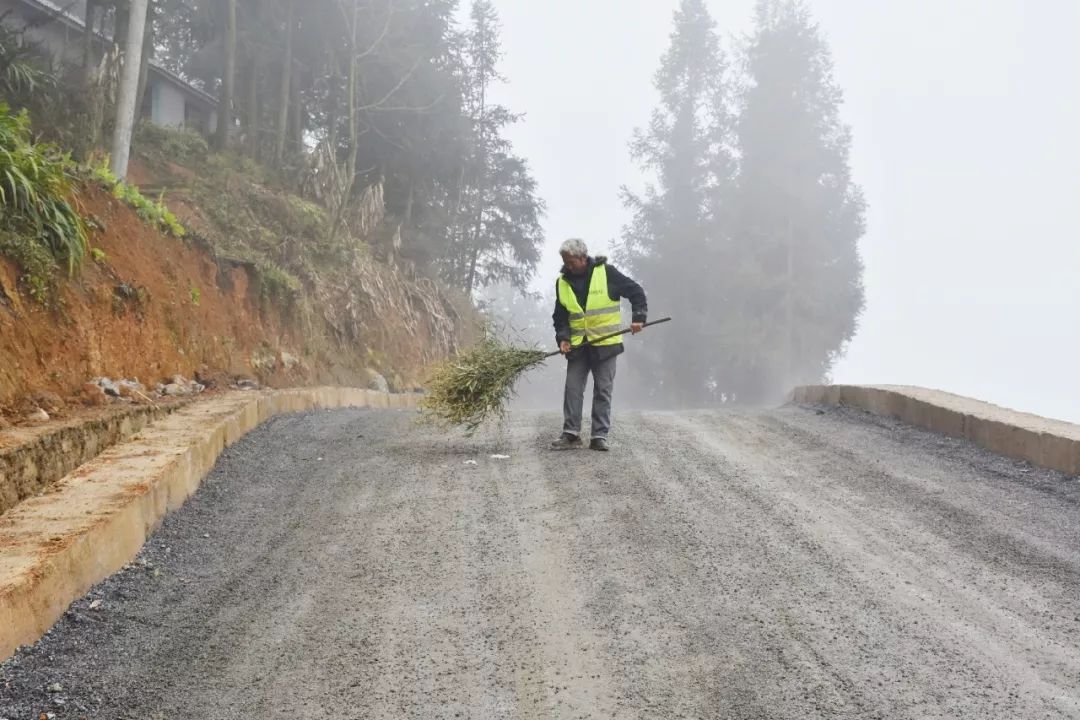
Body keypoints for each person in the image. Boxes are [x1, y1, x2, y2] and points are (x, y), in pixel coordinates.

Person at [550, 238, 647, 451]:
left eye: (570, 261)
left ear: (583, 257)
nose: (567, 265)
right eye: (564, 261)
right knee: (573, 388)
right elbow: (560, 316)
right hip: (578, 345)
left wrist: (639, 317)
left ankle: (599, 436)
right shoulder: (562, 283)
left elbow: (636, 292)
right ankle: (571, 435)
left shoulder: (607, 273)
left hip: (606, 344)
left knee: (603, 390)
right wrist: (563, 338)